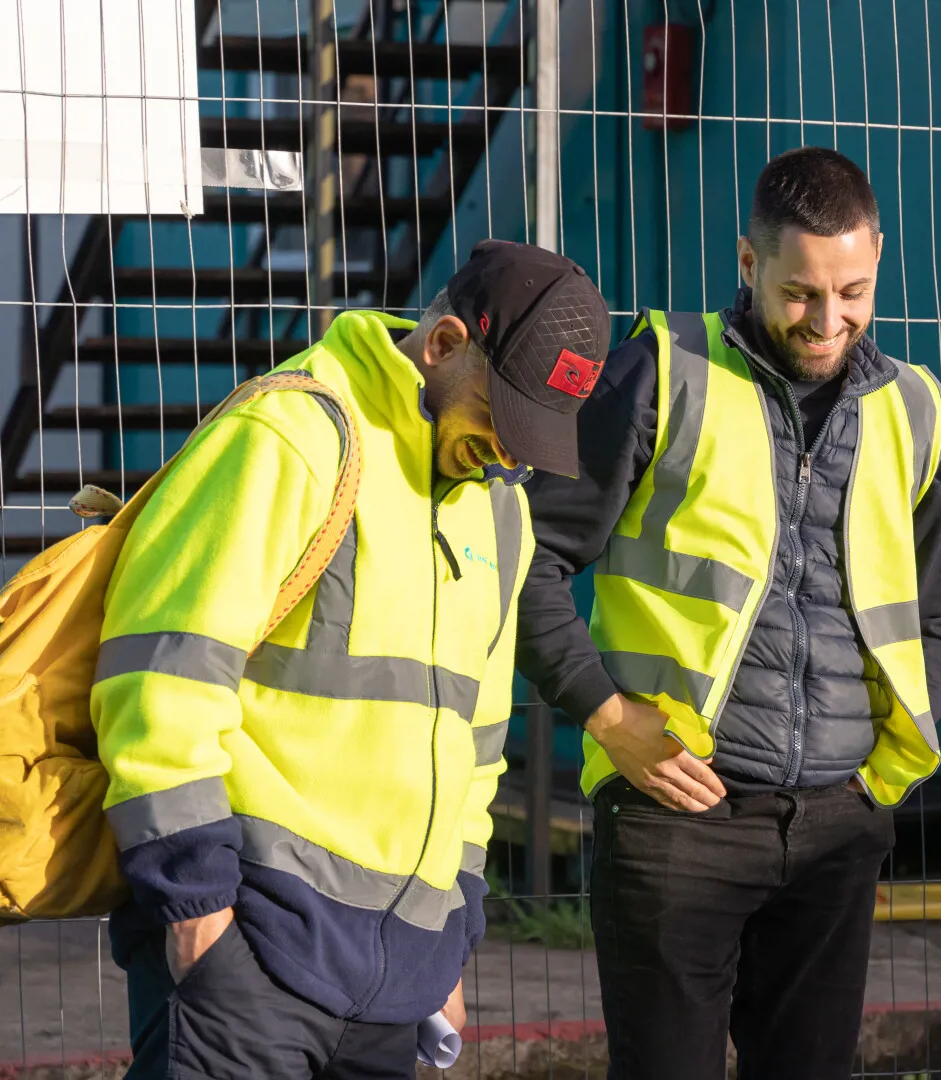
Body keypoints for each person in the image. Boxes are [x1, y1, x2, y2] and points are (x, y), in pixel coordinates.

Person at [92, 239, 610, 1080]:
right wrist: (197, 914)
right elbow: (164, 679)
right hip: (245, 959)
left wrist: (448, 934)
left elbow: (478, 741)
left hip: (395, 984)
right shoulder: (292, 437)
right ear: (443, 347)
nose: (512, 456)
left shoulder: (498, 514)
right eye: (502, 420)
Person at [516, 146, 941, 1080]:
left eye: (852, 290)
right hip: (674, 815)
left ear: (879, 259)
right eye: (802, 293)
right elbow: (527, 563)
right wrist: (610, 719)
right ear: (748, 265)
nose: (828, 318)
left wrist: (880, 777)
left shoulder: (916, 408)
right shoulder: (660, 371)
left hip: (838, 825)